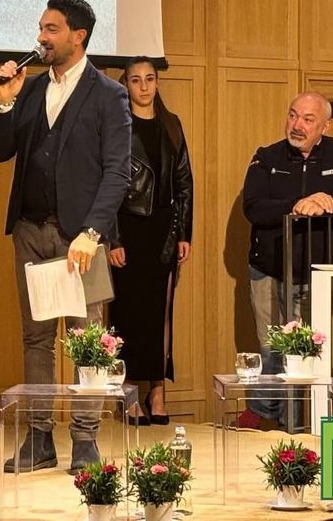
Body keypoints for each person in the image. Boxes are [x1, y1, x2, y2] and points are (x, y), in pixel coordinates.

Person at [0, 0, 131, 474]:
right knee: (36, 339)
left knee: (88, 340)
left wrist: (93, 232)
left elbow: (117, 172)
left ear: (78, 36)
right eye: (41, 28)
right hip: (30, 230)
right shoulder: (29, 89)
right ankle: (39, 438)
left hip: (80, 237)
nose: (41, 37)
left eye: (51, 29)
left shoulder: (108, 95)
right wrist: (3, 102)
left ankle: (86, 439)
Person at [239, 91, 333, 429]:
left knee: (305, 350)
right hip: (268, 268)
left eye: (308, 119)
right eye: (293, 115)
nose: (297, 124)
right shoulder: (267, 157)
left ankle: (299, 421)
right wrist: (298, 204)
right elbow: (253, 207)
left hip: (315, 273)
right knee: (271, 347)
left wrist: (327, 203)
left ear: (325, 126)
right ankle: (265, 413)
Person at [107, 57, 192, 426]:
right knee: (127, 312)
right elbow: (108, 185)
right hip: (127, 228)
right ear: (125, 84)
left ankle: (157, 390)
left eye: (150, 79)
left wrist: (184, 233)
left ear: (157, 82)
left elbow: (185, 182)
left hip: (163, 230)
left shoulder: (172, 124)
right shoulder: (116, 124)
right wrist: (112, 238)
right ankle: (128, 392)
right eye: (136, 80)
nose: (144, 86)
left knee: (161, 312)